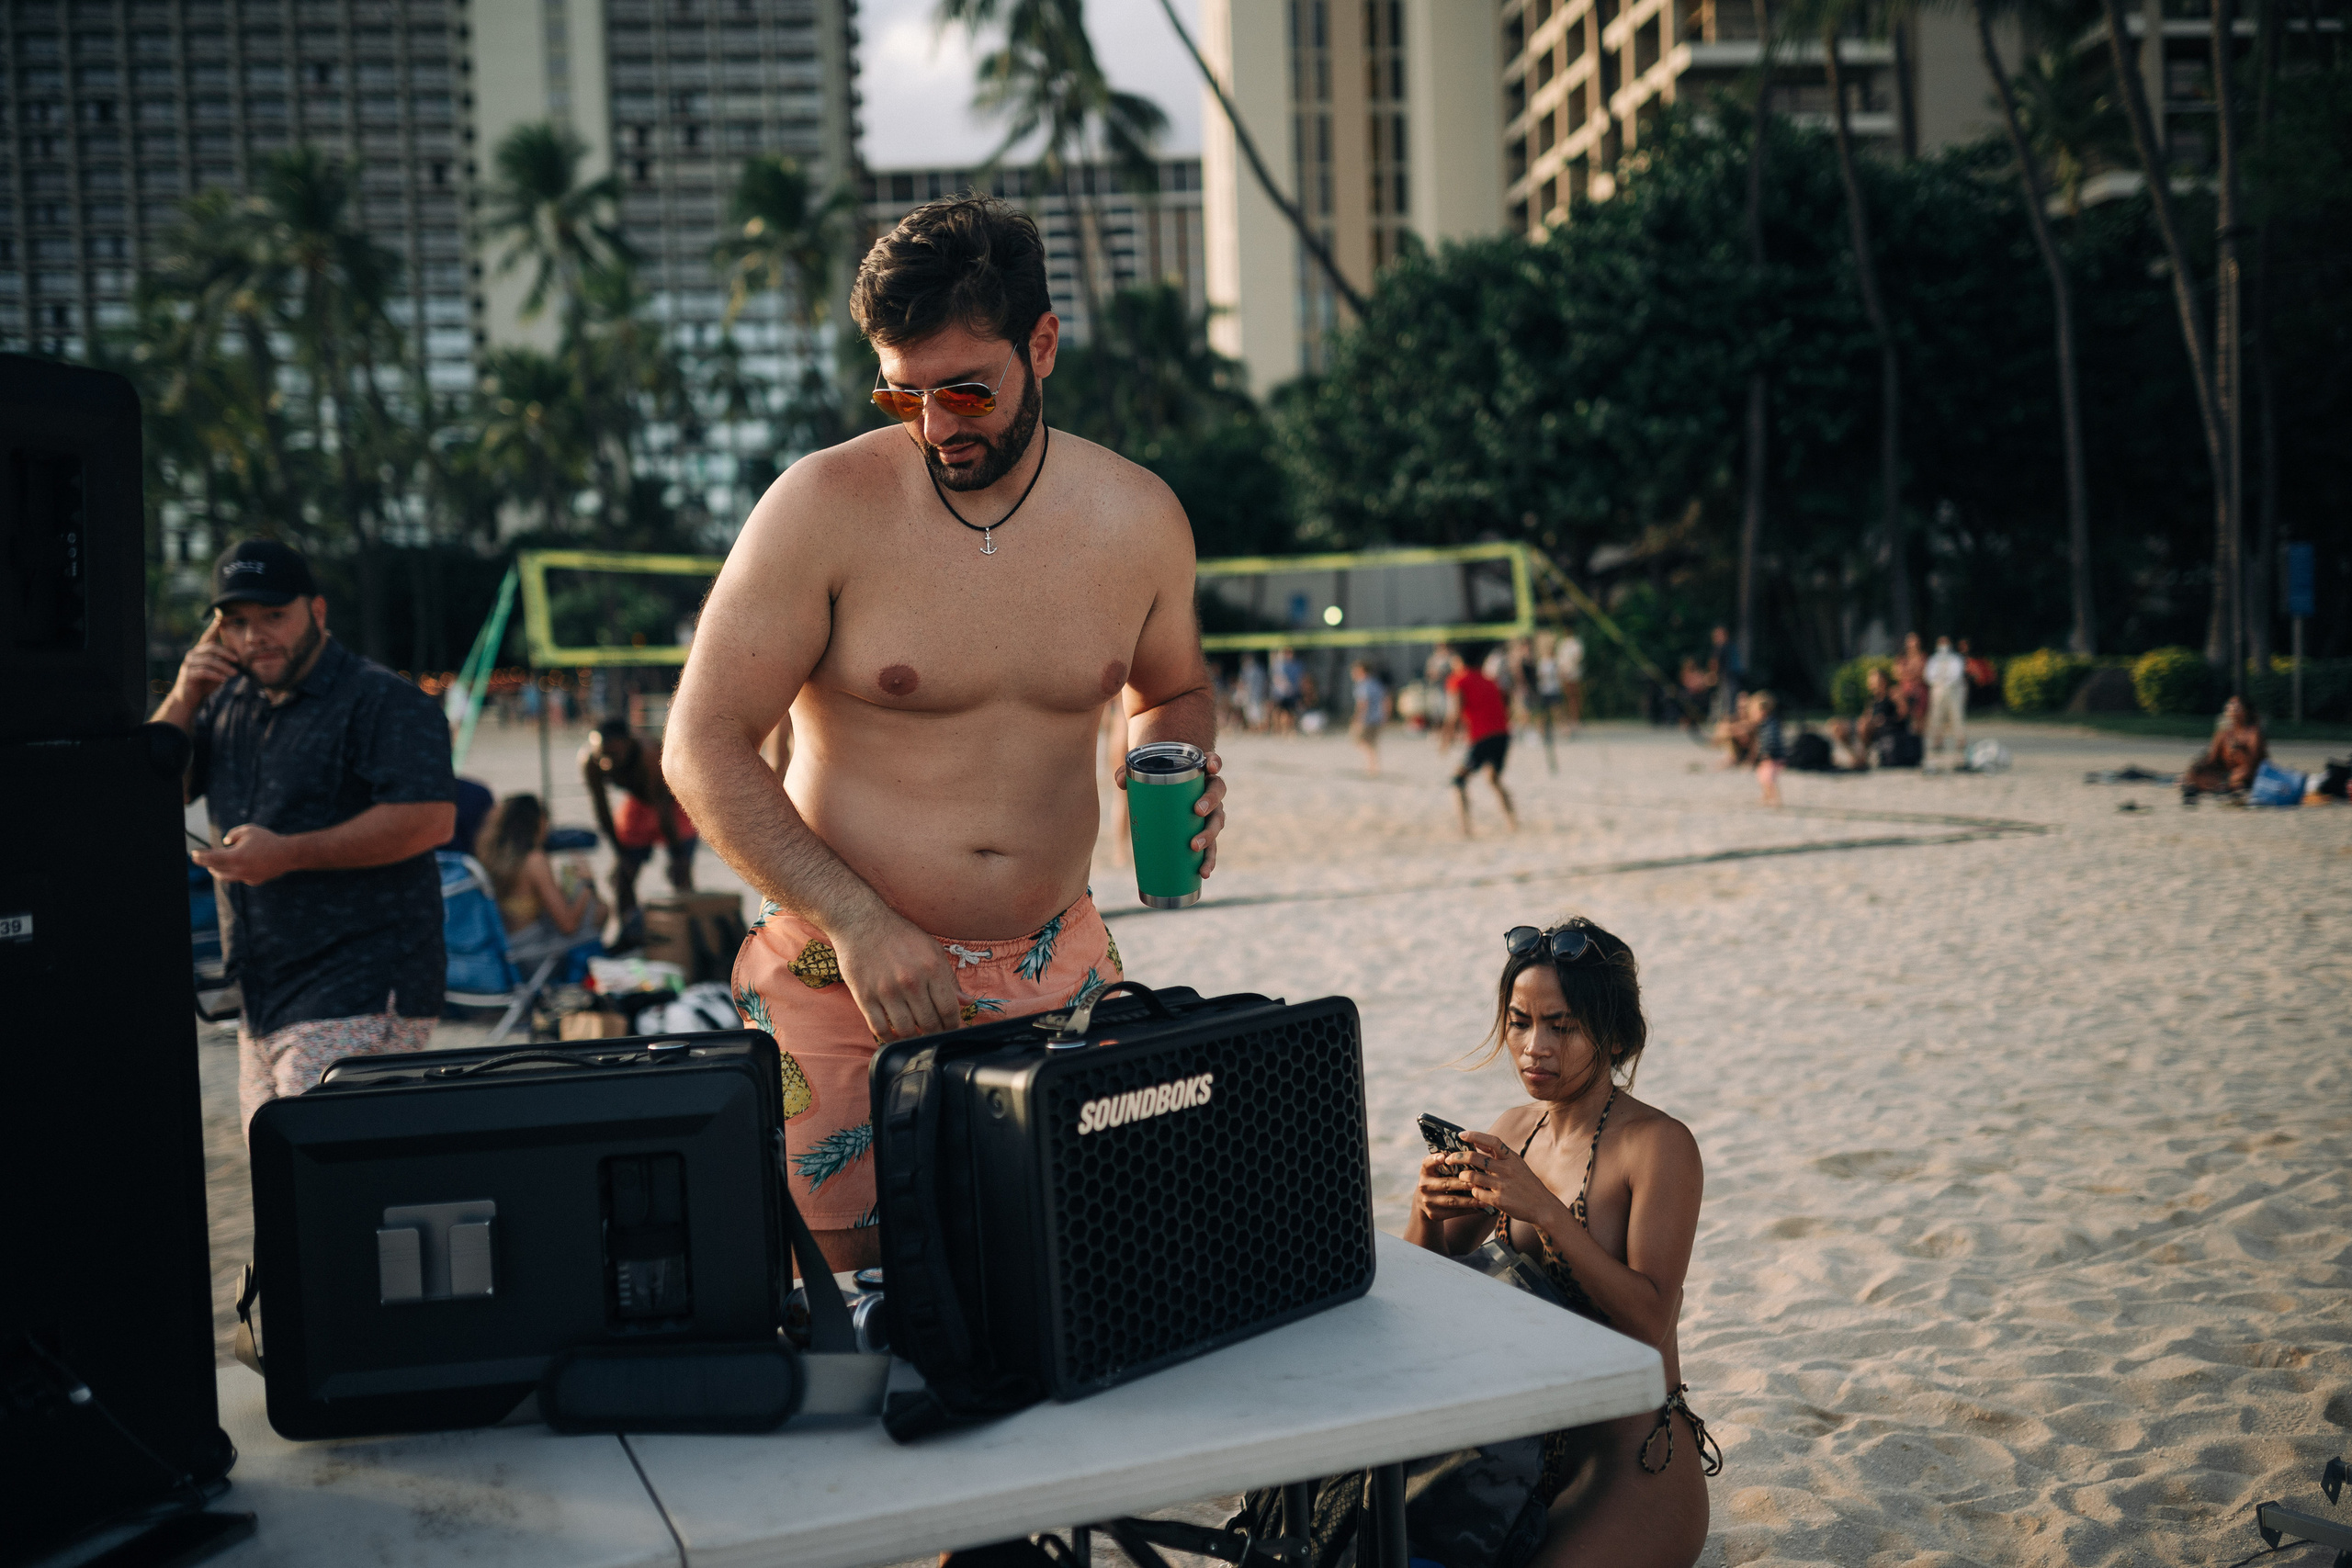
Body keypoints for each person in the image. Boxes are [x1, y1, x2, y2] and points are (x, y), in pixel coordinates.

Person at [663, 196, 1227, 1270]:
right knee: (855, 1302)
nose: (933, 426)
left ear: (1042, 345)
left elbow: (1174, 689)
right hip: (847, 976)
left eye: (966, 390)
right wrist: (858, 922)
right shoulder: (822, 506)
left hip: (1061, 969)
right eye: (901, 393)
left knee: (1066, 1278)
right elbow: (701, 745)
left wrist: (1177, 759)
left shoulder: (1138, 516)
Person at [1407, 919, 1716, 1567]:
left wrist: (1545, 1210)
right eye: (1519, 1022)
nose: (1533, 1047)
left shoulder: (1658, 1146)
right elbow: (1423, 1291)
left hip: (1630, 1463)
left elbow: (1650, 1322)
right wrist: (1426, 1212)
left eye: (1562, 1026)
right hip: (1507, 1463)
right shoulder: (1514, 1129)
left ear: (1615, 1035)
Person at [151, 539, 456, 1130]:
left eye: (274, 616)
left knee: (311, 1165)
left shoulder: (380, 698)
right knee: (280, 1167)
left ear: (317, 612)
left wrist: (288, 854)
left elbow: (429, 818)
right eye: (236, 622)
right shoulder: (225, 701)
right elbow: (143, 790)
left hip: (361, 982)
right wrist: (184, 696)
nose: (255, 637)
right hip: (262, 995)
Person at [582, 716, 699, 938]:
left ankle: (690, 936)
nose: (606, 763)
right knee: (622, 877)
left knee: (680, 873)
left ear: (628, 744)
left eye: (613, 755)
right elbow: (602, 811)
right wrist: (620, 853)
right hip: (638, 804)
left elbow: (663, 809)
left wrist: (678, 854)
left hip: (675, 803)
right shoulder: (590, 762)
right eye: (602, 756)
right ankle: (628, 933)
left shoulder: (649, 754)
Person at [475, 793, 605, 978]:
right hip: (532, 954)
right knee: (599, 910)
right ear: (535, 823)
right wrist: (587, 884)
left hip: (504, 949)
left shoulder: (491, 856)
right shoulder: (534, 860)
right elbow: (568, 925)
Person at [1443, 647, 1519, 836]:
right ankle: (1512, 821)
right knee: (1494, 779)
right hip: (1502, 735)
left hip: (1482, 737)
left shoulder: (1458, 679)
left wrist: (1446, 738)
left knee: (1458, 780)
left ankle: (1465, 828)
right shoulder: (1489, 679)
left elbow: (1455, 712)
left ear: (1459, 661)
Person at [2181, 696, 2267, 803]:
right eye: (2230, 704)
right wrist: (2200, 765)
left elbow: (2254, 763)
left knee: (2240, 774)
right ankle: (2224, 787)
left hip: (2247, 773)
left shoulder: (2253, 733)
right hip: (2227, 774)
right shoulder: (2223, 734)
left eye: (2236, 705)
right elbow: (2213, 759)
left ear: (2245, 711)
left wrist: (2240, 749)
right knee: (2195, 773)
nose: (2231, 707)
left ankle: (2227, 787)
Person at [1924, 636, 1968, 757]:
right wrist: (1938, 682)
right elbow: (1928, 675)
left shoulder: (1955, 659)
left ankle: (1960, 740)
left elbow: (1957, 674)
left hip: (1953, 691)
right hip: (1938, 690)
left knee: (1956, 715)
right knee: (1936, 716)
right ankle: (1938, 740)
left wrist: (1947, 682)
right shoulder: (1933, 659)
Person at [1530, 633, 1564, 772]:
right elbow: (1538, 676)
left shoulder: (1555, 662)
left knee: (1556, 711)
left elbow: (1560, 674)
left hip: (1554, 689)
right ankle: (1540, 732)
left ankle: (1562, 729)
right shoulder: (1542, 662)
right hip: (1544, 690)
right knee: (1542, 714)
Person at [1349, 660, 1388, 775]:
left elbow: (1363, 703)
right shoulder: (1376, 683)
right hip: (1378, 717)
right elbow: (1386, 699)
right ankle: (1373, 766)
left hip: (1366, 718)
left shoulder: (1363, 685)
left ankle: (1371, 765)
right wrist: (1385, 715)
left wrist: (1357, 717)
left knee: (1359, 740)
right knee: (1372, 743)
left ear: (1361, 671)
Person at [1751, 692, 1787, 807]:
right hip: (1768, 757)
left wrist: (1767, 753)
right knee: (1762, 776)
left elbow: (1770, 741)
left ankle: (1776, 798)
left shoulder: (1770, 726)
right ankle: (1766, 795)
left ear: (1764, 711)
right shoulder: (1764, 725)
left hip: (1773, 757)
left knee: (1769, 778)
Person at [1893, 632, 1929, 725]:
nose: (1913, 645)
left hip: (1919, 690)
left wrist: (1906, 674)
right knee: (1895, 694)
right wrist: (1914, 675)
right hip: (1904, 690)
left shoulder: (1923, 657)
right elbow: (1896, 674)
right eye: (1910, 642)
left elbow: (1925, 675)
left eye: (1915, 642)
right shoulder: (1902, 658)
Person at [1556, 626, 1586, 734]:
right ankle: (1568, 719)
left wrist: (1569, 669)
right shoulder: (1562, 643)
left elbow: (1578, 658)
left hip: (1573, 673)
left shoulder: (1575, 643)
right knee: (1567, 697)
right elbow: (1560, 660)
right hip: (1565, 673)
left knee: (1574, 696)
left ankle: (1576, 718)